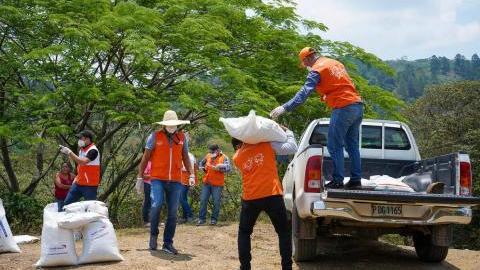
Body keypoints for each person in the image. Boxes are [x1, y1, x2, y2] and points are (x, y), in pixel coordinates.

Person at [270, 47, 364, 189]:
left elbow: (304, 93)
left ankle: (338, 180)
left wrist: (285, 107)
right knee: (352, 145)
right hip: (357, 105)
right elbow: (342, 84)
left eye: (305, 64)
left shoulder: (317, 70)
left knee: (334, 145)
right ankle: (356, 180)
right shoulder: (335, 63)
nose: (307, 67)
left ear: (307, 59)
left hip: (343, 106)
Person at [231, 126, 298, 270]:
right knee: (283, 232)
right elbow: (292, 147)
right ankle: (287, 267)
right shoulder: (267, 145)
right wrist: (288, 132)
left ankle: (245, 267)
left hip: (250, 198)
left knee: (244, 232)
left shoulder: (237, 157)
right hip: (272, 195)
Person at [137, 110, 194, 254]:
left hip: (175, 179)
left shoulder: (181, 138)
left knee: (173, 211)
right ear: (164, 125)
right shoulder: (154, 136)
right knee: (156, 204)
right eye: (169, 124)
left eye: (174, 124)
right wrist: (139, 177)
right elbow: (145, 158)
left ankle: (168, 243)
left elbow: (185, 157)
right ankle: (153, 235)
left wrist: (191, 174)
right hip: (157, 178)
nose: (171, 126)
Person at [59, 130, 101, 206]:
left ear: (87, 139)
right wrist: (76, 178)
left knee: (91, 207)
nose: (79, 140)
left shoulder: (93, 151)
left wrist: (69, 152)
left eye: (81, 138)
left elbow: (82, 162)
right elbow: (81, 167)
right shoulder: (82, 150)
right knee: (66, 204)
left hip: (90, 185)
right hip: (78, 183)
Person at [197, 144, 231, 226]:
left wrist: (218, 167)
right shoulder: (208, 155)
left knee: (216, 202)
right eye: (210, 151)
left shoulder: (224, 157)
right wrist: (202, 169)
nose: (211, 153)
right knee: (203, 200)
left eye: (213, 151)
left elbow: (228, 168)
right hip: (207, 182)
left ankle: (214, 219)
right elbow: (201, 163)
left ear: (218, 150)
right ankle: (201, 219)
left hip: (217, 184)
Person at [178, 152, 197, 224]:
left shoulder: (188, 155)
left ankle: (190, 216)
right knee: (184, 198)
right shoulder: (188, 154)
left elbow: (190, 168)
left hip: (186, 179)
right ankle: (184, 217)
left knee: (182, 199)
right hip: (183, 179)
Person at [135, 160, 152, 227]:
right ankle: (146, 221)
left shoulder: (155, 161)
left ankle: (153, 220)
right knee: (147, 202)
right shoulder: (146, 163)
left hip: (155, 184)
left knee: (154, 203)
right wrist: (153, 176)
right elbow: (143, 175)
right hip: (147, 184)